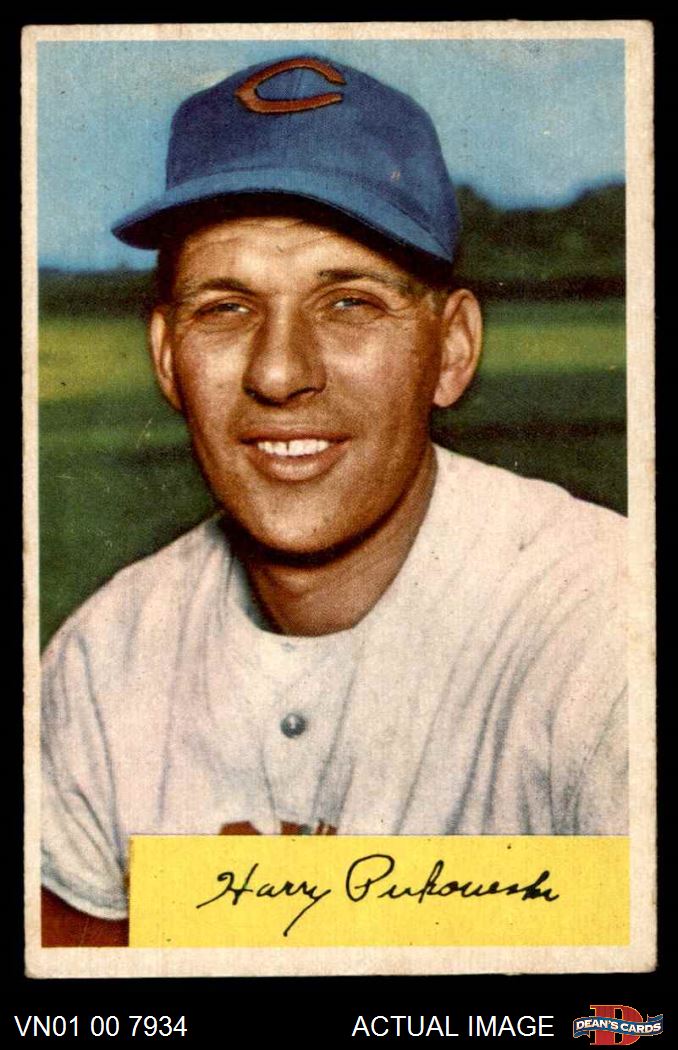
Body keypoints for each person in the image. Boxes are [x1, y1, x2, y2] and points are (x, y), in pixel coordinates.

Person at [40, 55, 627, 946]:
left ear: (452, 350)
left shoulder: (606, 633)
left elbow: (628, 1008)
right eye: (226, 308)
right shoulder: (102, 659)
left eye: (349, 303)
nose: (280, 373)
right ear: (166, 358)